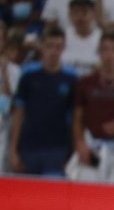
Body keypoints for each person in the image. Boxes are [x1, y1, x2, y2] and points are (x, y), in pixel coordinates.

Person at [65, 31, 114, 182]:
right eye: (105, 49)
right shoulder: (85, 82)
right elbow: (78, 117)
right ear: (99, 53)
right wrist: (79, 143)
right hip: (92, 145)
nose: (109, 55)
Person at [8, 25, 77, 175]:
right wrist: (13, 150)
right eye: (50, 46)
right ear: (42, 47)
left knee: (52, 195)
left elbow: (75, 117)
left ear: (63, 48)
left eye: (58, 47)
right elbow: (19, 114)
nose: (53, 51)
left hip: (58, 148)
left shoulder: (71, 78)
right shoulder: (28, 75)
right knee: (26, 194)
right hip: (29, 146)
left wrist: (73, 151)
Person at [0, 19, 19, 174]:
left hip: (0, 137)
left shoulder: (13, 71)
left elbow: (5, 106)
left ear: (4, 43)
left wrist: (3, 72)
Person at [60, 0, 101, 76]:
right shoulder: (62, 37)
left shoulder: (102, 38)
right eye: (76, 12)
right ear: (70, 15)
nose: (80, 17)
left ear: (93, 14)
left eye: (84, 12)